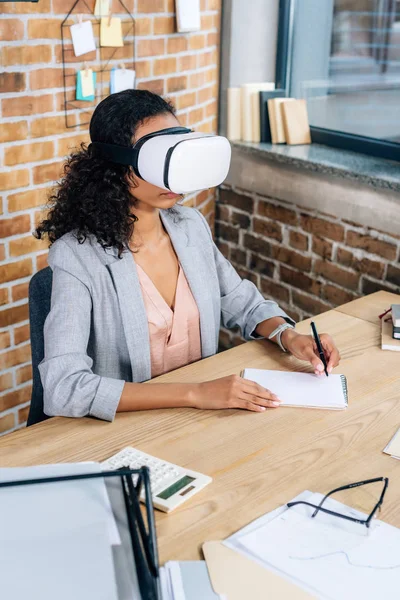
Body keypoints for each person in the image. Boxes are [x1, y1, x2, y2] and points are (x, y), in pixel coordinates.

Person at [35, 89, 340, 422]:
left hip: (205, 419)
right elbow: (64, 387)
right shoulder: (76, 257)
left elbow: (242, 302)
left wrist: (289, 336)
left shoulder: (189, 226)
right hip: (128, 428)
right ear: (114, 166)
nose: (171, 175)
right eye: (156, 158)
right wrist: (195, 393)